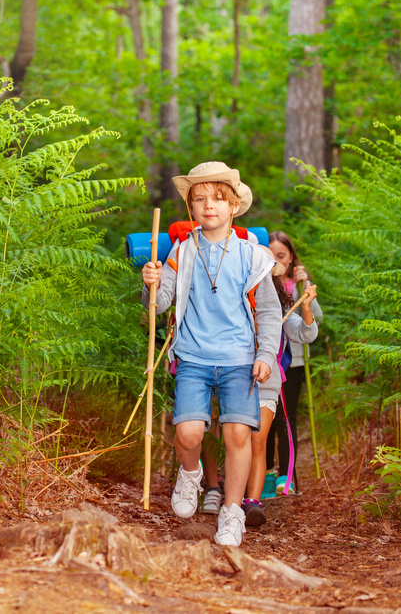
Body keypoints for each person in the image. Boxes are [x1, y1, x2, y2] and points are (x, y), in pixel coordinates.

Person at [141, 161, 282, 546]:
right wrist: (151, 284)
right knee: (188, 434)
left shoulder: (253, 256)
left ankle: (232, 512)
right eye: (199, 199)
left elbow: (269, 311)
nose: (209, 206)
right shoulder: (180, 253)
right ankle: (191, 475)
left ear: (234, 206)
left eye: (218, 199)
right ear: (191, 208)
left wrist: (266, 354)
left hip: (240, 358)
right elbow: (160, 303)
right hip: (193, 358)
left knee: (237, 433)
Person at [265, 231, 322, 496]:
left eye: (282, 256)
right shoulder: (264, 281)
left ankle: (285, 475)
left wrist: (306, 285)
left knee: (286, 417)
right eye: (272, 255)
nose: (278, 261)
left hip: (294, 360)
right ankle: (265, 470)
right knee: (265, 415)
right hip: (265, 358)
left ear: (291, 257)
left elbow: (316, 319)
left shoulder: (299, 283)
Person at [240, 259, 294, 525]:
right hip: (234, 374)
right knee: (237, 438)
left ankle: (252, 500)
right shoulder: (234, 295)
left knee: (257, 441)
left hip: (266, 378)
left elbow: (304, 332)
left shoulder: (279, 307)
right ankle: (232, 494)